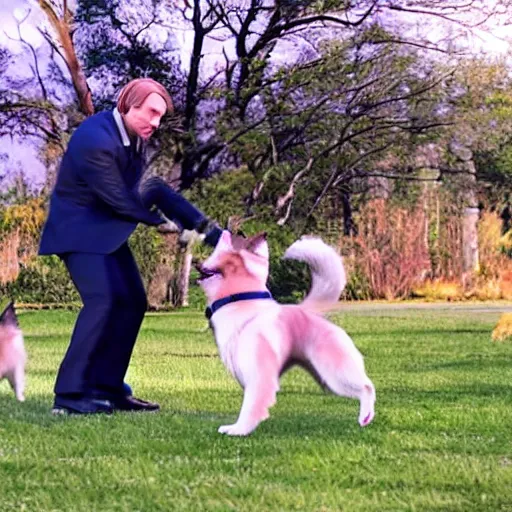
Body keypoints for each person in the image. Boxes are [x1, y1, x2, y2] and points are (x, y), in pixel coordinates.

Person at [39, 78, 222, 415]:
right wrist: (164, 224)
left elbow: (150, 190)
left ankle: (109, 389)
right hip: (78, 232)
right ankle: (70, 395)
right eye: (151, 112)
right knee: (103, 300)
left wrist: (210, 234)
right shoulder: (95, 138)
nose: (155, 123)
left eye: (160, 117)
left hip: (104, 231)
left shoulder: (132, 138)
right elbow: (120, 199)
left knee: (133, 301)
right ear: (127, 103)